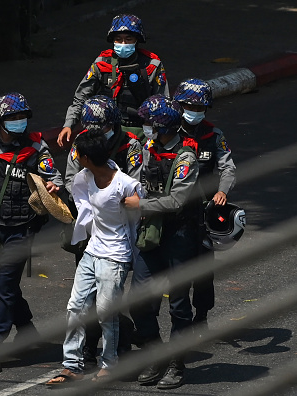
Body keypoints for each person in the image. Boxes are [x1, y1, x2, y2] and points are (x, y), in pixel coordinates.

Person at [0, 92, 63, 374]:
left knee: (5, 285)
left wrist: (53, 186)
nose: (19, 122)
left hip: (20, 229)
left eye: (22, 117)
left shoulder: (35, 147)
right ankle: (27, 330)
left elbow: (54, 177)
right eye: (12, 118)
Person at [46, 130, 144, 386]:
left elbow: (140, 210)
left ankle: (110, 365)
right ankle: (72, 365)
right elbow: (80, 204)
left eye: (78, 153)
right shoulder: (84, 177)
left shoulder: (124, 184)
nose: (75, 156)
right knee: (75, 307)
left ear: (87, 157)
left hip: (115, 256)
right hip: (92, 251)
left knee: (105, 313)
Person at [123, 95, 201, 389]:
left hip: (179, 235)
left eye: (148, 124)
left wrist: (140, 206)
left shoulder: (185, 157)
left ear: (163, 127)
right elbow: (132, 180)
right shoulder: (143, 149)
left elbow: (178, 200)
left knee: (179, 305)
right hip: (149, 233)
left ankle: (176, 364)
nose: (144, 129)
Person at [62, 95, 142, 368]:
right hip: (90, 236)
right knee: (81, 302)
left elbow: (136, 190)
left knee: (107, 303)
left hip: (119, 240)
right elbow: (73, 179)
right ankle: (83, 353)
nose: (95, 134)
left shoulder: (131, 146)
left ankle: (117, 349)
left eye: (101, 128)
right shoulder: (81, 145)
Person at [173, 78, 236, 326]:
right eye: (190, 106)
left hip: (203, 213)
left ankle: (201, 316)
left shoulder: (214, 135)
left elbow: (228, 168)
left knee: (202, 271)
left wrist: (222, 191)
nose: (194, 112)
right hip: (174, 211)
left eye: (200, 108)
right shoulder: (169, 133)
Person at [57, 13, 168, 147]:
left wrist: (156, 133)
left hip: (141, 131)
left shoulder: (152, 65)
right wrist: (69, 124)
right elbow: (81, 97)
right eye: (118, 39)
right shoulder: (102, 63)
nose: (123, 44)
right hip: (105, 129)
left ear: (137, 40)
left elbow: (163, 103)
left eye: (128, 39)